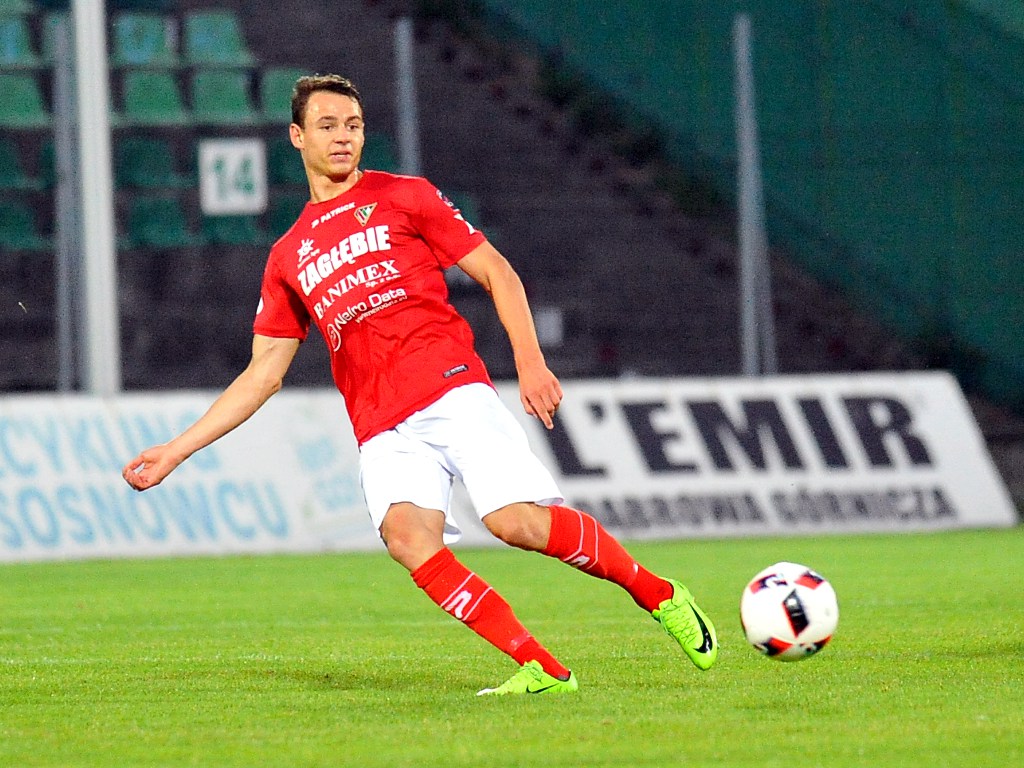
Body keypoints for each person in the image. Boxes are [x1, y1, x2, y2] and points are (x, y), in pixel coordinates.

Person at [122, 74, 718, 695]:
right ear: (297, 137)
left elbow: (496, 271)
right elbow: (262, 375)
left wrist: (531, 361)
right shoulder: (288, 254)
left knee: (513, 522)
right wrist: (176, 450)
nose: (343, 137)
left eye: (353, 125)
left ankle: (659, 594)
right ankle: (541, 669)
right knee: (408, 540)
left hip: (449, 387)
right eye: (327, 126)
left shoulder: (405, 196)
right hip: (379, 423)